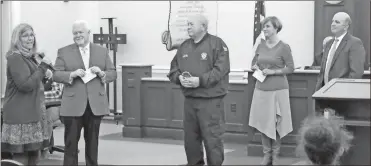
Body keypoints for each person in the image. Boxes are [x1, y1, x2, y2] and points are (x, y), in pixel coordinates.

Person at [167, 14, 230, 166]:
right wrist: (179, 78)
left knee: (212, 140)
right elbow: (173, 70)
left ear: (203, 26)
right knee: (191, 141)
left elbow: (220, 70)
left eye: (191, 24)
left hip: (210, 102)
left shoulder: (217, 44)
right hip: (190, 102)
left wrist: (199, 81)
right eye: (187, 24)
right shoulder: (184, 46)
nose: (188, 27)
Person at [53, 20, 117, 166]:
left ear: (89, 33)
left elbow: (113, 73)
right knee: (70, 145)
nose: (77, 35)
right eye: (75, 33)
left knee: (93, 144)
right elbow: (56, 74)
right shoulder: (63, 51)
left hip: (95, 105)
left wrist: (102, 74)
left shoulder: (102, 51)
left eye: (80, 32)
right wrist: (72, 74)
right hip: (72, 105)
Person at [1, 23, 53, 165]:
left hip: (33, 113)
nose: (30, 39)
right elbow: (25, 85)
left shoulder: (30, 57)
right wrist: (42, 67)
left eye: (32, 35)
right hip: (20, 115)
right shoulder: (15, 57)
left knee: (34, 157)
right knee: (21, 158)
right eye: (25, 36)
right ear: (17, 39)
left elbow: (38, 85)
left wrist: (46, 74)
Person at [248, 16, 295, 165]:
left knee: (276, 122)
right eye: (263, 27)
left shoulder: (284, 47)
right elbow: (254, 63)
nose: (264, 29)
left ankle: (275, 155)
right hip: (261, 89)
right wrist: (254, 67)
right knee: (263, 122)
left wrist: (274, 72)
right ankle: (266, 154)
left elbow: (290, 68)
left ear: (276, 28)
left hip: (278, 89)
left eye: (267, 26)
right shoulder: (260, 45)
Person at [315, 12, 366, 111]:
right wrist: (318, 90)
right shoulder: (329, 43)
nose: (333, 24)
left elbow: (357, 72)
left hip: (342, 95)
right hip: (324, 93)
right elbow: (323, 71)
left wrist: (344, 91)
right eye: (332, 21)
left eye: (337, 22)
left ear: (346, 27)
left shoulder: (354, 43)